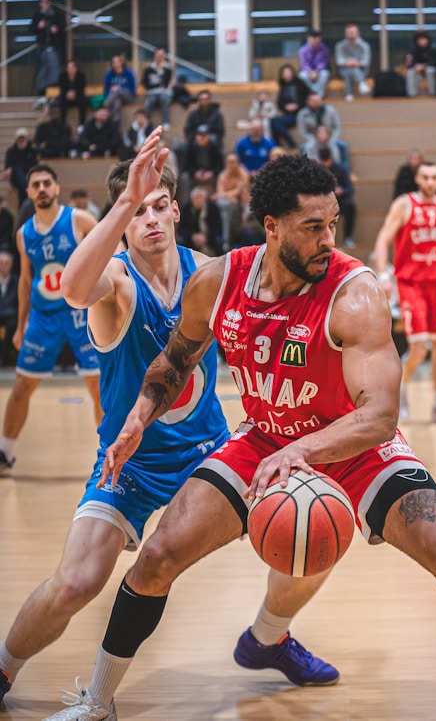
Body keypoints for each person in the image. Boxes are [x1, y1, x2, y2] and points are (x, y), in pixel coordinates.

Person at [41, 153, 436, 721]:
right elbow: (174, 360)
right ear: (272, 227)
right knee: (156, 557)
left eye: (333, 224)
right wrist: (135, 421)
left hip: (355, 448)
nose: (328, 239)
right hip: (263, 439)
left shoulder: (356, 293)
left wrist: (303, 451)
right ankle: (97, 701)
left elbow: (378, 416)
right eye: (312, 227)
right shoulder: (218, 281)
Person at [0, 139, 335, 713]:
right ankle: (4, 671)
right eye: (137, 211)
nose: (149, 219)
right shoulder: (118, 284)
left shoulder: (209, 274)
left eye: (158, 206)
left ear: (177, 211)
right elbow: (73, 289)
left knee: (311, 529)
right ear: (123, 222)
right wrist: (124, 199)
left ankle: (269, 637)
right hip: (128, 461)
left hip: (209, 452)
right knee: (76, 583)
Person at [0, 164, 101, 474]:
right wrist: (20, 325)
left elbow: (111, 254)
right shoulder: (24, 234)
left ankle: (109, 453)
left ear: (57, 188)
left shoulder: (79, 219)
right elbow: (24, 281)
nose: (42, 188)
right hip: (43, 318)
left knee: (99, 386)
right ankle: (5, 453)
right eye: (36, 184)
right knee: (21, 386)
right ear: (28, 193)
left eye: (47, 183)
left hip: (80, 315)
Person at [373, 161, 436, 423]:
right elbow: (383, 240)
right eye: (425, 177)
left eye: (434, 177)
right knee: (419, 349)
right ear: (417, 179)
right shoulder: (404, 205)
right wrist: (383, 275)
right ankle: (399, 393)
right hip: (410, 283)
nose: (430, 182)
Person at [317, 145, 357, 248]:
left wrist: (341, 190)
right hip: (323, 202)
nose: (325, 163)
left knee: (350, 206)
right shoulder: (318, 170)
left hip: (340, 200)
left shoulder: (341, 169)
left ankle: (348, 237)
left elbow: (350, 189)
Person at [29, 0, 65, 95]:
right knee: (42, 70)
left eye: (47, 2)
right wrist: (39, 27)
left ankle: (54, 90)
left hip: (54, 46)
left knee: (55, 68)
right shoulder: (37, 15)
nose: (45, 4)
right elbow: (31, 29)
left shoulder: (56, 15)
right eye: (43, 2)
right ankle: (42, 91)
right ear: (40, 3)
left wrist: (57, 29)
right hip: (42, 46)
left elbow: (63, 27)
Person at [214, 151, 251, 252]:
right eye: (229, 162)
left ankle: (227, 241)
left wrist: (229, 195)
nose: (232, 164)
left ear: (238, 163)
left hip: (240, 202)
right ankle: (227, 240)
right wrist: (230, 196)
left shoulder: (243, 173)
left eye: (234, 162)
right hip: (228, 203)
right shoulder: (222, 176)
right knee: (226, 206)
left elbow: (241, 190)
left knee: (229, 207)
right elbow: (220, 194)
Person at [270, 63, 310, 148]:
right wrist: (286, 107)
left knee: (278, 124)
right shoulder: (283, 87)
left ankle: (292, 144)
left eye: (289, 72)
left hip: (300, 114)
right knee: (272, 121)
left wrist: (297, 105)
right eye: (284, 73)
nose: (287, 75)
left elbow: (309, 98)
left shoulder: (301, 84)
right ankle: (277, 144)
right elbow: (279, 104)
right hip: (288, 114)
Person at [177, 185, 222, 255]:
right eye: (196, 198)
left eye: (201, 198)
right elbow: (181, 228)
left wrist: (206, 237)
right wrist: (192, 236)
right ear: (192, 199)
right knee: (181, 241)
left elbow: (218, 228)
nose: (198, 201)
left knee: (219, 240)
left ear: (205, 199)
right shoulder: (186, 209)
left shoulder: (213, 208)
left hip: (209, 237)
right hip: (191, 238)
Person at [296, 92, 343, 159]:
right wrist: (313, 139)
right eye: (314, 101)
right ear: (308, 102)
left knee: (342, 146)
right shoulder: (303, 114)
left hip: (329, 138)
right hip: (312, 139)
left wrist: (331, 138)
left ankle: (341, 168)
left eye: (318, 100)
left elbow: (337, 126)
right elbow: (302, 131)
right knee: (306, 147)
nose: (317, 102)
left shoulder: (331, 110)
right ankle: (309, 167)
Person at [334, 23, 371, 101]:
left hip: (361, 70)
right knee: (349, 70)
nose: (350, 34)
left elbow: (366, 61)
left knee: (352, 70)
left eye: (352, 32)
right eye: (348, 32)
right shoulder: (340, 45)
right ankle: (361, 83)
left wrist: (355, 63)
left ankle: (349, 94)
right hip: (344, 69)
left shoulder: (365, 45)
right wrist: (348, 63)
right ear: (345, 34)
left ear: (358, 33)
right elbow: (339, 61)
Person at [3, 127, 38, 206]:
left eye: (23, 139)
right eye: (19, 139)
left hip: (30, 175)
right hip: (17, 179)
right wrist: (8, 170)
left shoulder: (32, 150)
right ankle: (27, 191)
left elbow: (35, 164)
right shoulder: (11, 151)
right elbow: (7, 167)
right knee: (17, 169)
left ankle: (25, 198)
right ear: (16, 140)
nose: (21, 141)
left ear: (27, 139)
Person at [140, 48, 172, 129]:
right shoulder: (148, 69)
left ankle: (166, 122)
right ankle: (147, 123)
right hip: (151, 93)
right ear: (154, 56)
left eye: (161, 56)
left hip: (163, 92)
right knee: (150, 101)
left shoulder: (167, 68)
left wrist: (161, 71)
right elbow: (144, 83)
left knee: (164, 99)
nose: (160, 58)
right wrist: (156, 86)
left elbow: (165, 84)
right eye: (158, 56)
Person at [102, 55, 136, 128]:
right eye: (114, 62)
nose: (116, 63)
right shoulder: (109, 74)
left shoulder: (128, 72)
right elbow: (106, 90)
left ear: (122, 62)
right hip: (115, 97)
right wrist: (112, 90)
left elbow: (133, 89)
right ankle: (115, 127)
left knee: (117, 90)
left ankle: (105, 107)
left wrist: (120, 88)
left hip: (129, 96)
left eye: (118, 61)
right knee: (117, 102)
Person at [298, 29, 331, 98]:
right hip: (307, 71)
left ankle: (319, 96)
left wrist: (316, 71)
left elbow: (324, 62)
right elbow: (303, 64)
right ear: (308, 39)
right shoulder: (303, 50)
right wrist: (310, 72)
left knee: (325, 74)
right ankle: (311, 94)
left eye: (317, 38)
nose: (315, 40)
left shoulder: (324, 49)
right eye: (313, 38)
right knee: (302, 76)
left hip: (320, 70)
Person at [405, 31, 436, 97]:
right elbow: (410, 63)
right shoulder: (413, 51)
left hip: (431, 72)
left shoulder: (433, 51)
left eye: (424, 39)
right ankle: (412, 95)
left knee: (430, 70)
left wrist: (424, 65)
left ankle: (433, 94)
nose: (422, 41)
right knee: (410, 72)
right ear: (417, 41)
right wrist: (414, 66)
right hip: (418, 72)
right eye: (420, 40)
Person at [0, 250, 18, 366]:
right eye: (1, 263)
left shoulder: (17, 280)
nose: (4, 265)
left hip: (11, 315)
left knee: (12, 324)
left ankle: (5, 356)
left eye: (7, 263)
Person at [57, 59, 87, 130]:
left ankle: (81, 125)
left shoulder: (81, 76)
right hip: (66, 96)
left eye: (72, 67)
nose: (71, 69)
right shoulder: (62, 76)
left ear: (76, 68)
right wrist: (68, 93)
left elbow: (81, 87)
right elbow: (62, 88)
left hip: (77, 96)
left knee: (83, 100)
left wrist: (74, 93)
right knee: (61, 101)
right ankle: (62, 124)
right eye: (69, 68)